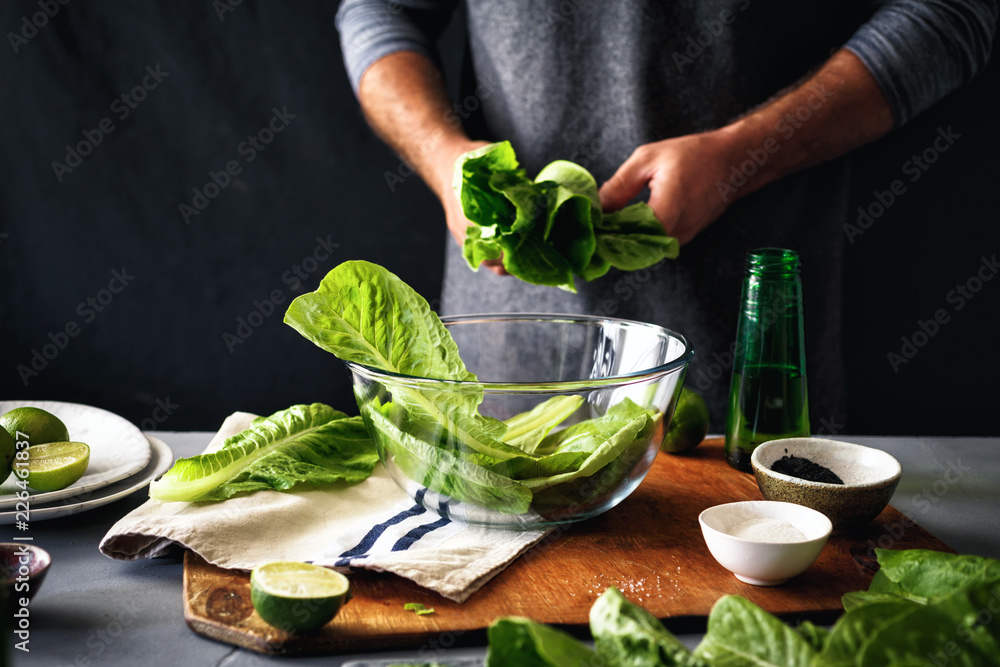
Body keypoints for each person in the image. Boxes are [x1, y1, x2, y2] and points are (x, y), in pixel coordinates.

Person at [335, 1, 997, 430]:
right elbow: (377, 11)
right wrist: (442, 155)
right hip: (500, 380)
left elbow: (953, 13)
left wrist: (746, 155)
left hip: (748, 384)